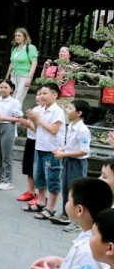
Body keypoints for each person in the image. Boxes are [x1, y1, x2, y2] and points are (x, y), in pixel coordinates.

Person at [21, 82, 66, 221]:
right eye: (40, 93)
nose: (41, 96)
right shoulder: (40, 109)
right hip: (39, 147)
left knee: (52, 178)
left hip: (52, 150)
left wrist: (38, 119)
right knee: (39, 176)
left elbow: (53, 130)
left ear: (54, 95)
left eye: (44, 93)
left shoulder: (57, 111)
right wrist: (31, 122)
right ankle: (40, 202)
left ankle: (51, 208)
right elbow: (37, 129)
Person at [50, 99, 93, 231]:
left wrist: (64, 154)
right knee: (66, 188)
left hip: (78, 163)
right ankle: (66, 214)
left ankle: (78, 223)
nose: (67, 110)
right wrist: (62, 150)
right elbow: (70, 146)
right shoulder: (71, 126)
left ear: (79, 113)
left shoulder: (83, 130)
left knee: (77, 192)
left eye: (70, 108)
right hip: (69, 159)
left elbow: (84, 151)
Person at [0, 79, 22, 191]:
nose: (3, 89)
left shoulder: (14, 102)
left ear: (11, 89)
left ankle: (8, 180)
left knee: (7, 155)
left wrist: (3, 118)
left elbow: (18, 118)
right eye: (1, 87)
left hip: (7, 126)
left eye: (6, 87)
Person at [5, 27, 38, 109]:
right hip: (14, 75)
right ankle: (10, 116)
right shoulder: (14, 48)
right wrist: (7, 76)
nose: (17, 37)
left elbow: (34, 63)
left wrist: (29, 78)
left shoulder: (30, 47)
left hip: (24, 76)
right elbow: (12, 63)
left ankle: (16, 119)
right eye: (15, 35)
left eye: (19, 35)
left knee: (19, 98)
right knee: (11, 96)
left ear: (24, 37)